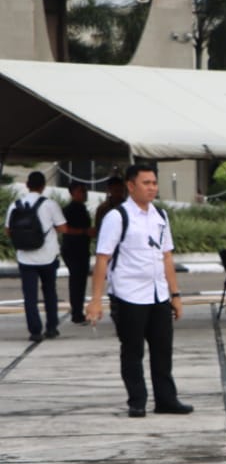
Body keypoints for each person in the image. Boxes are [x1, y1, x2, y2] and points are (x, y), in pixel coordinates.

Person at [86, 164, 191, 417]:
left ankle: (166, 400)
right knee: (132, 350)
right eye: (146, 183)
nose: (152, 187)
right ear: (131, 186)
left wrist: (175, 296)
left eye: (154, 183)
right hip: (129, 294)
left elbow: (166, 257)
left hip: (158, 294)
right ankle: (137, 400)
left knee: (162, 350)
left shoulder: (160, 216)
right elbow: (102, 259)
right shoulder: (118, 217)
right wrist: (96, 301)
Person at [8, 171, 66, 343]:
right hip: (48, 256)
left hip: (25, 257)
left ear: (27, 184)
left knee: (29, 296)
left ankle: (35, 331)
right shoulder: (50, 205)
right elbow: (63, 228)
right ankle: (51, 327)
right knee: (50, 292)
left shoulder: (15, 205)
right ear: (43, 186)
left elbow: (8, 230)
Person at [60, 181, 93, 325]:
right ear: (73, 192)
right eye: (81, 191)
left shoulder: (82, 208)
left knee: (81, 281)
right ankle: (76, 312)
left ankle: (78, 310)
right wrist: (84, 231)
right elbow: (64, 229)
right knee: (76, 281)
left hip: (82, 249)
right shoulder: (70, 209)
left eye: (85, 191)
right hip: (73, 249)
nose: (84, 194)